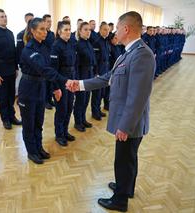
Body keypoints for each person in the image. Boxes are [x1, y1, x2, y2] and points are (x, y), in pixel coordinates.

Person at [66, 11, 155, 212]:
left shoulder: (142, 55)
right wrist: (79, 84)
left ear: (126, 29)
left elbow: (138, 97)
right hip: (128, 120)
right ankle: (126, 188)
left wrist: (125, 126)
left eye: (117, 28)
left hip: (129, 122)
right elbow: (107, 78)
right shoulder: (129, 52)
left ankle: (120, 200)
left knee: (123, 161)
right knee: (129, 158)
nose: (114, 31)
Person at [18, 18, 72, 164]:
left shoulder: (44, 47)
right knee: (29, 124)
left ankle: (39, 147)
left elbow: (50, 70)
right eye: (41, 29)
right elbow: (44, 69)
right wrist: (65, 81)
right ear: (33, 31)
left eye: (46, 29)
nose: (45, 31)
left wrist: (55, 88)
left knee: (38, 122)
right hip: (28, 89)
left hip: (41, 88)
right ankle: (31, 151)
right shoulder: (28, 49)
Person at [50, 21, 77, 146]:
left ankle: (65, 131)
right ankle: (59, 135)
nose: (68, 32)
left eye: (70, 29)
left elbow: (73, 65)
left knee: (69, 108)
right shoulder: (56, 46)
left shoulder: (70, 44)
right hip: (61, 81)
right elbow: (53, 70)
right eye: (65, 29)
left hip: (71, 80)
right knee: (61, 109)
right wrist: (56, 88)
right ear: (59, 31)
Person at [73, 22, 95, 132]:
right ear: (80, 31)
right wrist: (77, 80)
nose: (88, 32)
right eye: (85, 29)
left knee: (86, 100)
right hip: (81, 75)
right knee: (80, 100)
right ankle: (77, 122)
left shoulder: (88, 43)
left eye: (89, 30)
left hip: (89, 75)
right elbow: (76, 65)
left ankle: (83, 119)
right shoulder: (77, 45)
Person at [90, 22, 110, 120]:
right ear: (100, 30)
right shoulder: (97, 41)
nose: (107, 32)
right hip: (99, 70)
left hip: (105, 69)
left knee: (102, 92)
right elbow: (95, 60)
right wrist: (96, 73)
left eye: (108, 30)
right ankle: (94, 112)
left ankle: (98, 109)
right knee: (97, 93)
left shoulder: (106, 41)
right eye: (105, 30)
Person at [42, 14, 56, 110]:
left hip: (51, 61)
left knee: (51, 82)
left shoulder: (51, 34)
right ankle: (45, 101)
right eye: (48, 21)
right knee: (45, 83)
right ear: (44, 22)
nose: (50, 23)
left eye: (51, 22)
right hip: (43, 61)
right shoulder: (42, 34)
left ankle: (50, 99)